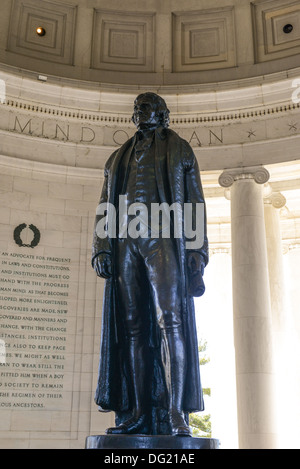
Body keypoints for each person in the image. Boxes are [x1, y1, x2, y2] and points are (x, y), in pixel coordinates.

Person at [92, 92, 208, 436]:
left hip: (164, 235)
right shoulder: (117, 158)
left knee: (170, 321)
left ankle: (176, 413)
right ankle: (140, 412)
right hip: (126, 238)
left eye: (145, 108)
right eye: (136, 109)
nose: (138, 113)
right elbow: (104, 203)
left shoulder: (180, 149)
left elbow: (194, 201)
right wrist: (102, 247)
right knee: (133, 327)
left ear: (162, 113)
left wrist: (197, 249)